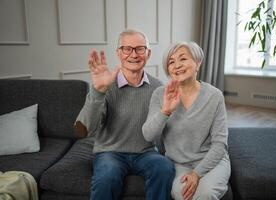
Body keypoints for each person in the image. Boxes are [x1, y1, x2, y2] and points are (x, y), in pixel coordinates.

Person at [75, 29, 175, 200]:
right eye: (127, 49)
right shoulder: (107, 85)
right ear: (119, 53)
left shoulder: (158, 87)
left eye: (139, 49)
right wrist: (99, 91)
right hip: (110, 152)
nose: (133, 54)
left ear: (148, 53)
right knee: (107, 176)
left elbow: (165, 127)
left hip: (146, 152)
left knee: (164, 167)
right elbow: (83, 131)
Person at [142, 41, 231, 200]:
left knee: (206, 194)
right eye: (171, 62)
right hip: (179, 164)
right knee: (182, 194)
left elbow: (220, 144)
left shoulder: (215, 96)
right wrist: (166, 111)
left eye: (183, 59)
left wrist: (197, 174)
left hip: (212, 161)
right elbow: (148, 135)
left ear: (197, 63)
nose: (177, 65)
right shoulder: (160, 94)